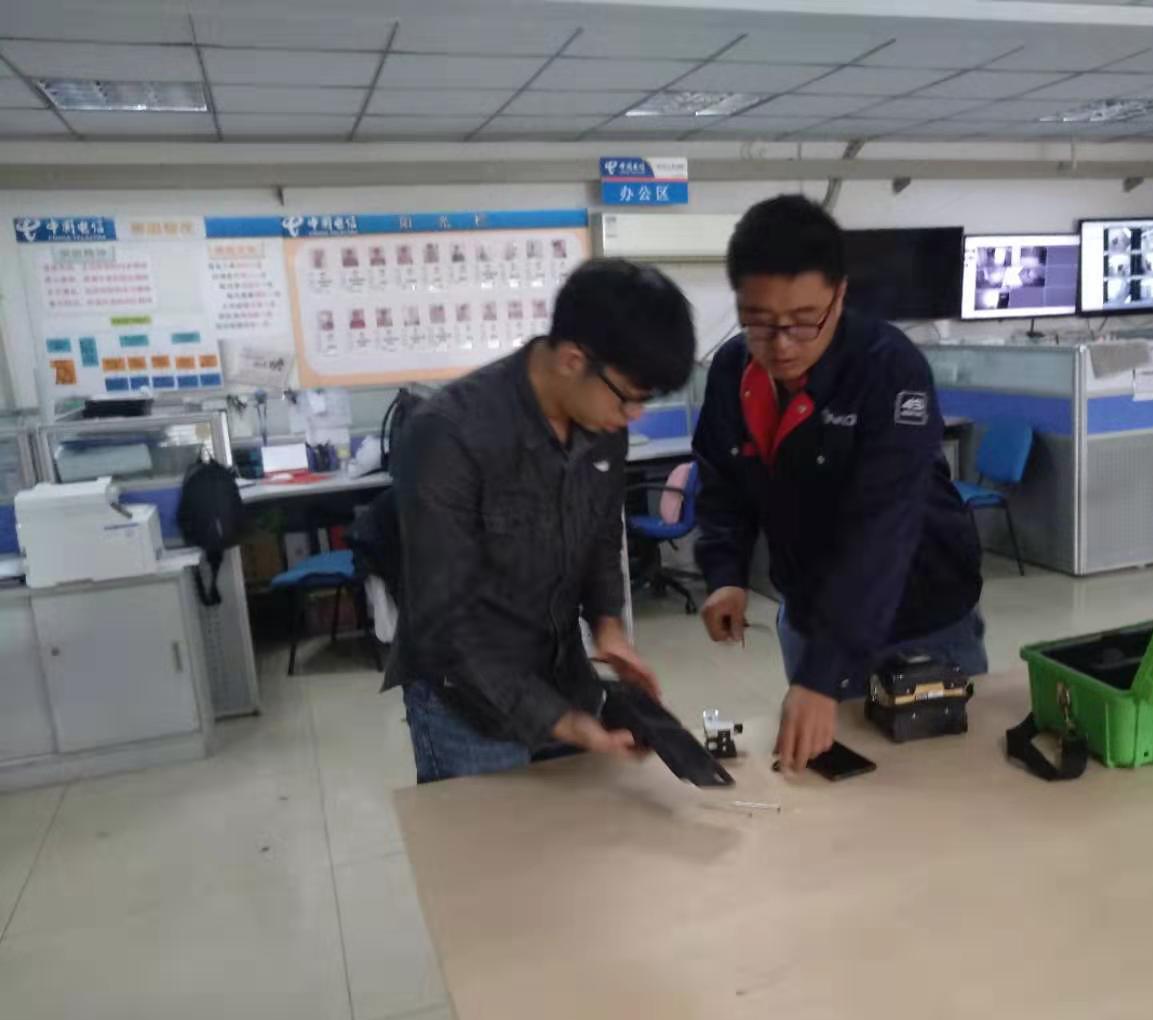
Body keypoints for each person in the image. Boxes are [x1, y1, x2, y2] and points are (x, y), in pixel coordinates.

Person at [693, 195, 985, 772]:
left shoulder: (888, 368)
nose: (782, 345)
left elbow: (883, 530)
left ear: (840, 294)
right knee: (835, 796)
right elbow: (724, 478)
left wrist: (821, 676)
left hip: (919, 619)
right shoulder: (731, 372)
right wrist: (725, 574)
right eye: (759, 322)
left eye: (805, 320)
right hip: (809, 616)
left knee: (944, 793)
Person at [384, 258, 696, 782]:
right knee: (494, 836)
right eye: (631, 398)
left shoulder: (602, 424)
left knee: (573, 831)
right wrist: (565, 723)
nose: (634, 416)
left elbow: (602, 534)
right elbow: (444, 624)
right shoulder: (449, 434)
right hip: (468, 704)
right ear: (573, 360)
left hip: (560, 675)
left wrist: (609, 627)